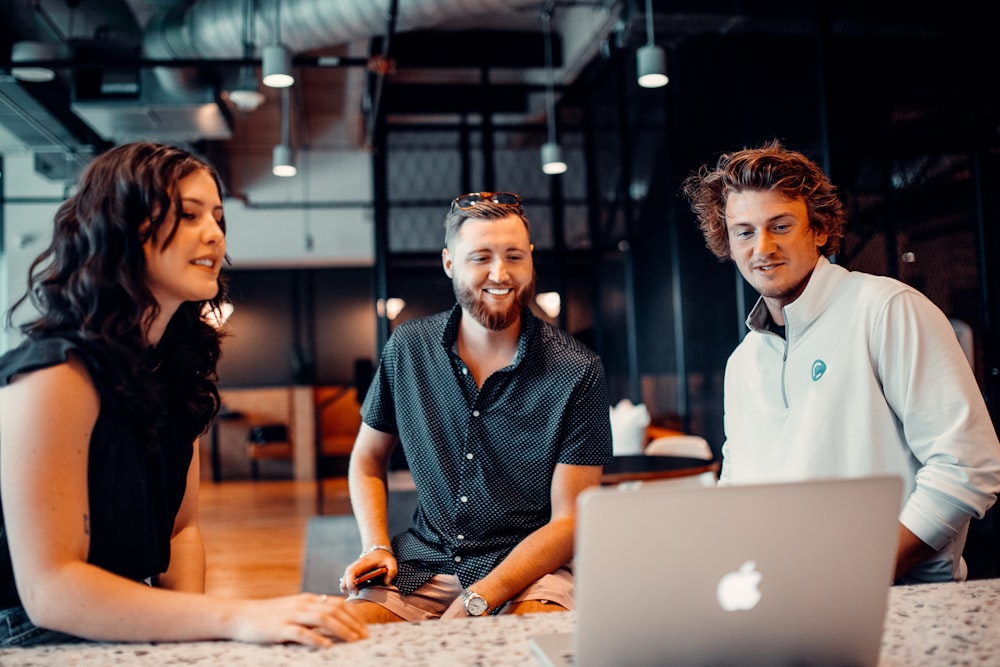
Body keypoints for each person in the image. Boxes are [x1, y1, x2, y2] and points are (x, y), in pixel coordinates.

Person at [0, 142, 366, 647]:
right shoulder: (54, 376)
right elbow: (50, 590)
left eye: (218, 217)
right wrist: (231, 619)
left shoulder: (174, 369)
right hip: (28, 635)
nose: (214, 233)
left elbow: (181, 531)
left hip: (121, 616)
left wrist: (193, 640)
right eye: (189, 214)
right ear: (123, 229)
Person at [681, 140, 1000, 583]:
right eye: (745, 232)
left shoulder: (887, 309)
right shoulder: (743, 363)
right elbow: (738, 492)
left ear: (819, 230)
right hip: (783, 601)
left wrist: (860, 574)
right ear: (728, 244)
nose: (763, 247)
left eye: (780, 225)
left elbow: (968, 467)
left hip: (902, 601)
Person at [340, 191, 613, 621]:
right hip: (424, 562)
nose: (500, 274)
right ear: (450, 263)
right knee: (346, 640)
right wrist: (375, 545)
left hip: (529, 569)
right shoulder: (408, 349)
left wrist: (478, 600)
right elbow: (367, 460)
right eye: (480, 257)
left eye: (514, 256)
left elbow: (570, 521)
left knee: (518, 648)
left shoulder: (578, 370)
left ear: (531, 260)